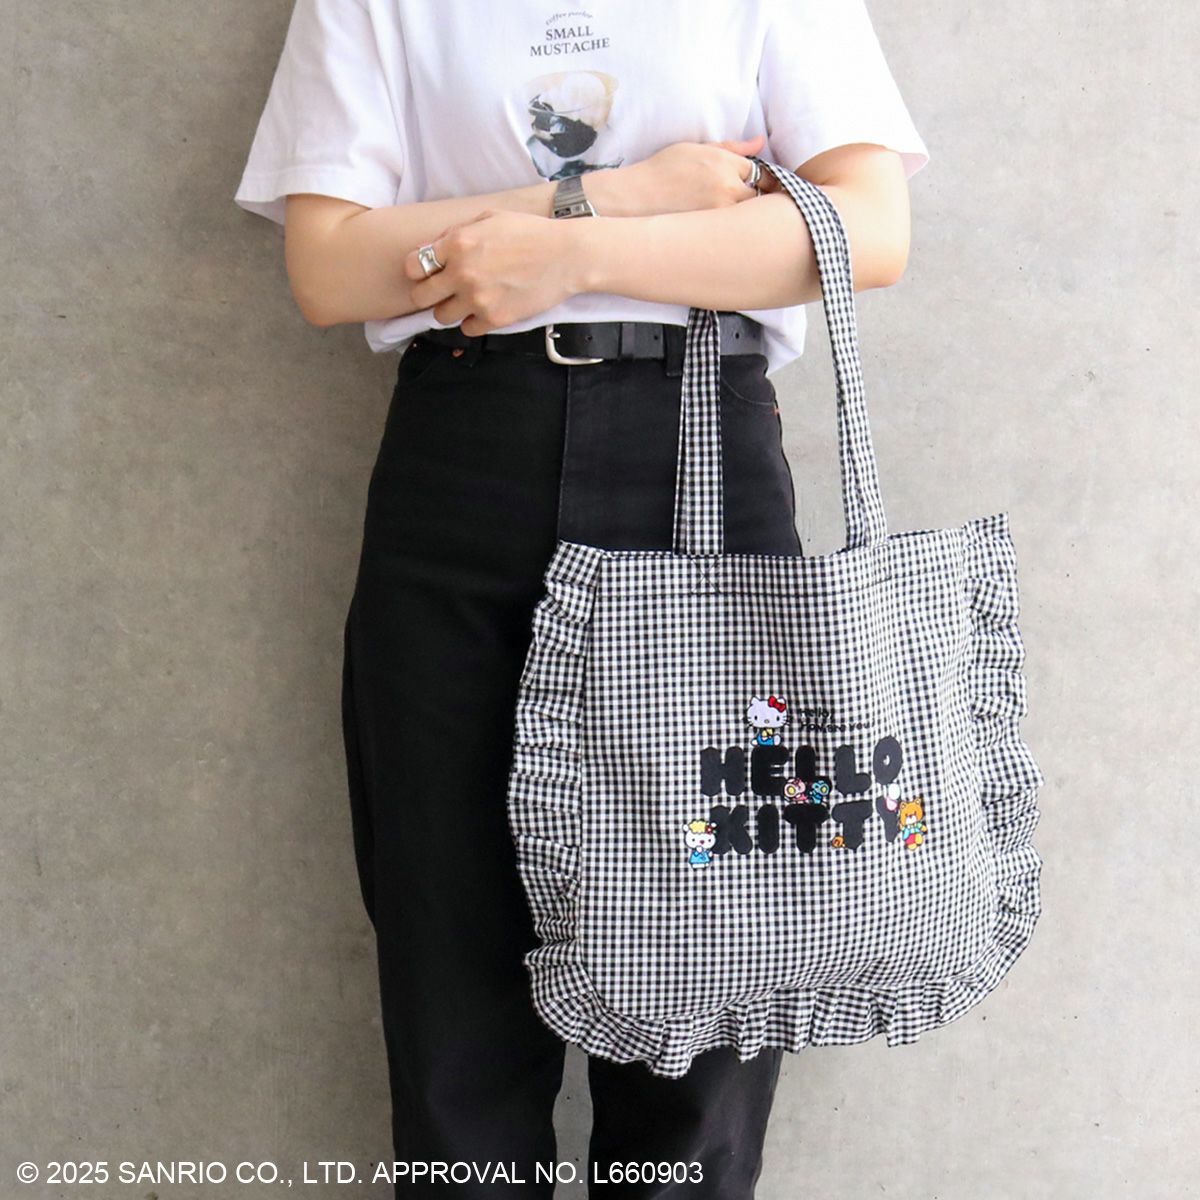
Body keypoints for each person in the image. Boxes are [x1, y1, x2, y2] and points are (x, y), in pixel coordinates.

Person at [234, 2, 929, 1195]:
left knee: (713, 960)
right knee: (452, 962)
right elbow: (330, 266)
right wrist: (610, 198)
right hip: (465, 452)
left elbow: (865, 231)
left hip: (703, 450)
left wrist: (575, 255)